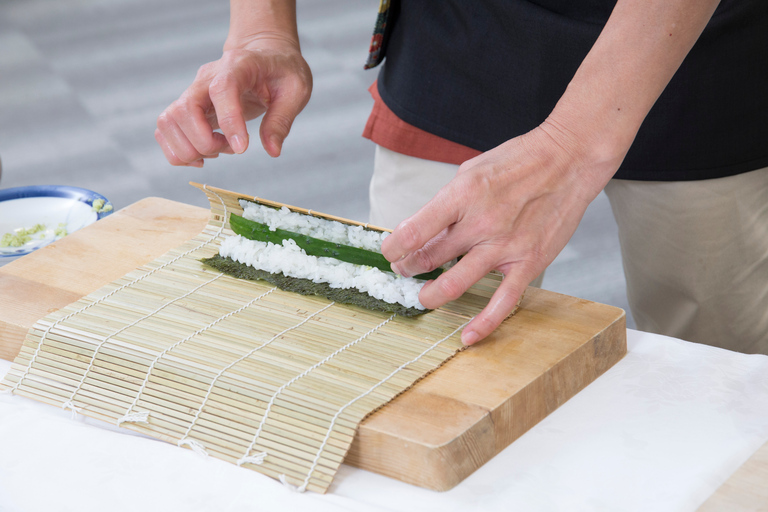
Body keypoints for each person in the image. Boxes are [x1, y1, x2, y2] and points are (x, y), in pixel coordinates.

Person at [155, 0, 768, 354]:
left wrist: (572, 145)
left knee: (714, 359)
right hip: (462, 41)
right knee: (414, 347)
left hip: (694, 48)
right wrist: (262, 27)